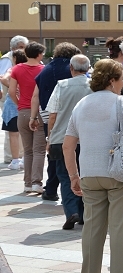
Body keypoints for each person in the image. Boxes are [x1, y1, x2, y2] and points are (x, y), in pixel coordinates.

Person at [63, 59, 123, 273]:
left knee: (92, 228)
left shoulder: (81, 104)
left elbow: (68, 145)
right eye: (121, 78)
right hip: (117, 171)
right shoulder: (121, 102)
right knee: (121, 226)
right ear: (112, 80)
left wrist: (73, 176)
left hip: (89, 172)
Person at [45, 54, 92, 229]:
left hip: (62, 138)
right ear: (87, 69)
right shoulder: (93, 85)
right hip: (86, 138)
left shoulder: (62, 85)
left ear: (71, 68)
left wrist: (50, 137)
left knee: (65, 176)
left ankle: (72, 211)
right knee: (86, 175)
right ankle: (85, 213)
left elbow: (52, 115)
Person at [31, 42, 82, 201]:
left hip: (48, 113)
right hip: (70, 113)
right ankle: (74, 186)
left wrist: (34, 116)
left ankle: (51, 188)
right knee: (74, 149)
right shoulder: (71, 68)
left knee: (54, 150)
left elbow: (35, 95)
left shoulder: (45, 69)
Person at [9, 41, 46, 194]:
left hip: (23, 111)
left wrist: (20, 104)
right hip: (38, 112)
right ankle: (37, 182)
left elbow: (11, 91)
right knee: (39, 150)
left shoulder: (17, 68)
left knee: (27, 150)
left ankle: (27, 183)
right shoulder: (43, 69)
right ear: (39, 54)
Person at [1, 35, 28, 164]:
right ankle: (11, 156)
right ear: (14, 48)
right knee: (16, 132)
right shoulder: (7, 59)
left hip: (14, 101)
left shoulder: (15, 68)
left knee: (14, 132)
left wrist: (14, 86)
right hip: (21, 101)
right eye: (21, 47)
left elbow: (4, 78)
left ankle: (17, 158)